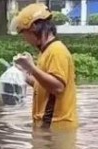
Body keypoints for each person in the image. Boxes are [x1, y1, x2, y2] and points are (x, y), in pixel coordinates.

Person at [10, 3, 78, 131]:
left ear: (34, 27)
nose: (25, 39)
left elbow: (58, 87)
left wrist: (32, 68)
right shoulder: (46, 51)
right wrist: (24, 74)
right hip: (47, 126)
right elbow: (44, 85)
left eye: (24, 33)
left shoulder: (57, 51)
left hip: (57, 128)